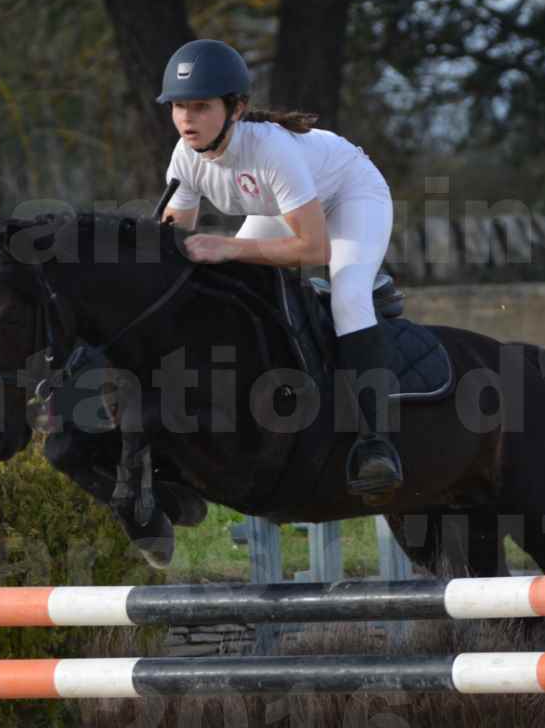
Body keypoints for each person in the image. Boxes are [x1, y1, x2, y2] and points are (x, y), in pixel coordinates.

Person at [154, 38, 403, 499]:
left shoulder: (270, 149)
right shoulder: (184, 158)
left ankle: (376, 444)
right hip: (284, 207)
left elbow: (313, 248)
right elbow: (173, 249)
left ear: (236, 108)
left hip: (349, 195)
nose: (187, 118)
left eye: (201, 106)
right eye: (179, 107)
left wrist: (227, 248)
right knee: (231, 285)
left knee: (348, 298)